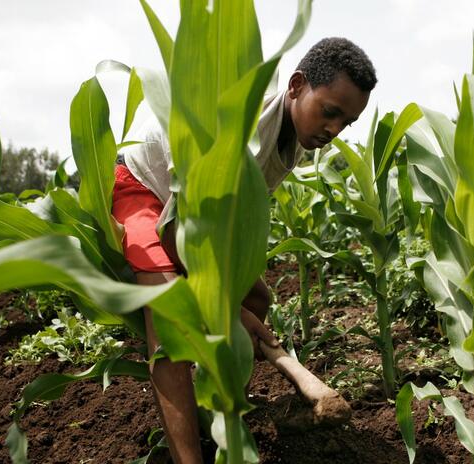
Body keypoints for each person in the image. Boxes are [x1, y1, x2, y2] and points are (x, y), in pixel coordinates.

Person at [111, 37, 377, 464]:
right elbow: (177, 228)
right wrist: (227, 308)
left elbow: (227, 222)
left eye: (347, 122)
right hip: (144, 191)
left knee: (258, 298)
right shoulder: (244, 129)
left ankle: (216, 399)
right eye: (330, 112)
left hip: (190, 219)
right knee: (170, 325)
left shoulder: (291, 141)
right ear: (295, 86)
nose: (334, 130)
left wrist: (238, 306)